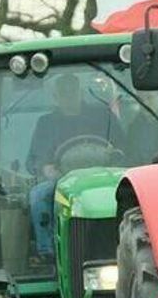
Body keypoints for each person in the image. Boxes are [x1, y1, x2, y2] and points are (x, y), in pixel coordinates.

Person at [27, 72, 125, 258]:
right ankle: (48, 252)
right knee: (38, 196)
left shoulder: (102, 115)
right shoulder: (46, 123)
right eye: (63, 93)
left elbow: (121, 147)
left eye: (72, 92)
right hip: (63, 180)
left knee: (131, 195)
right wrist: (47, 169)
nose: (68, 97)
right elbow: (37, 160)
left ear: (80, 92)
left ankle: (128, 243)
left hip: (104, 176)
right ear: (56, 97)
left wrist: (114, 153)